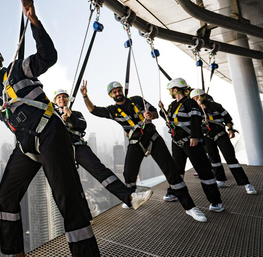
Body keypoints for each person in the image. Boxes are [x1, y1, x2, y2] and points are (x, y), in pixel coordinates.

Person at [0, 0, 100, 257]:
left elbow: (47, 57)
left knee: (66, 199)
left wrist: (34, 22)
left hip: (49, 134)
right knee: (5, 195)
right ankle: (16, 253)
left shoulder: (18, 70)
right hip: (26, 147)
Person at [80, 80, 207, 222]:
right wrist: (85, 96)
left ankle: (190, 208)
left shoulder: (137, 100)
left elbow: (156, 113)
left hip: (153, 138)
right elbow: (93, 110)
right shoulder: (112, 110)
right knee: (129, 172)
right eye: (114, 92)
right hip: (135, 143)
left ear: (123, 91)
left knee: (171, 170)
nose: (118, 93)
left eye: (119, 90)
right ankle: (130, 198)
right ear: (111, 95)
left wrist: (150, 115)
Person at [53, 89, 153, 210]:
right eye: (59, 97)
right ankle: (83, 215)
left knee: (101, 171)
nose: (62, 99)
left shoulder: (77, 114)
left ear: (68, 99)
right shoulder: (52, 116)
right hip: (61, 150)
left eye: (64, 97)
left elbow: (81, 125)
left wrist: (70, 116)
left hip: (79, 147)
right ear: (55, 101)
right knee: (68, 183)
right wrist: (60, 119)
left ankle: (130, 197)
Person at [160, 78, 224, 213]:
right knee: (176, 169)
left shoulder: (190, 103)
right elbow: (170, 119)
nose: (170, 92)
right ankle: (173, 192)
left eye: (171, 90)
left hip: (190, 141)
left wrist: (194, 136)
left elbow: (195, 119)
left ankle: (216, 202)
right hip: (177, 142)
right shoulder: (172, 105)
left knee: (203, 170)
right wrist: (162, 110)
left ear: (175, 90)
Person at [190, 88, 257, 194]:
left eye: (198, 97)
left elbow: (227, 119)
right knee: (214, 159)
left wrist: (230, 129)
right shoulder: (196, 111)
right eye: (194, 98)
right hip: (207, 136)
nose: (196, 99)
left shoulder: (216, 106)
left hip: (220, 134)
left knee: (231, 159)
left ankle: (246, 184)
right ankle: (220, 179)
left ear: (204, 96)